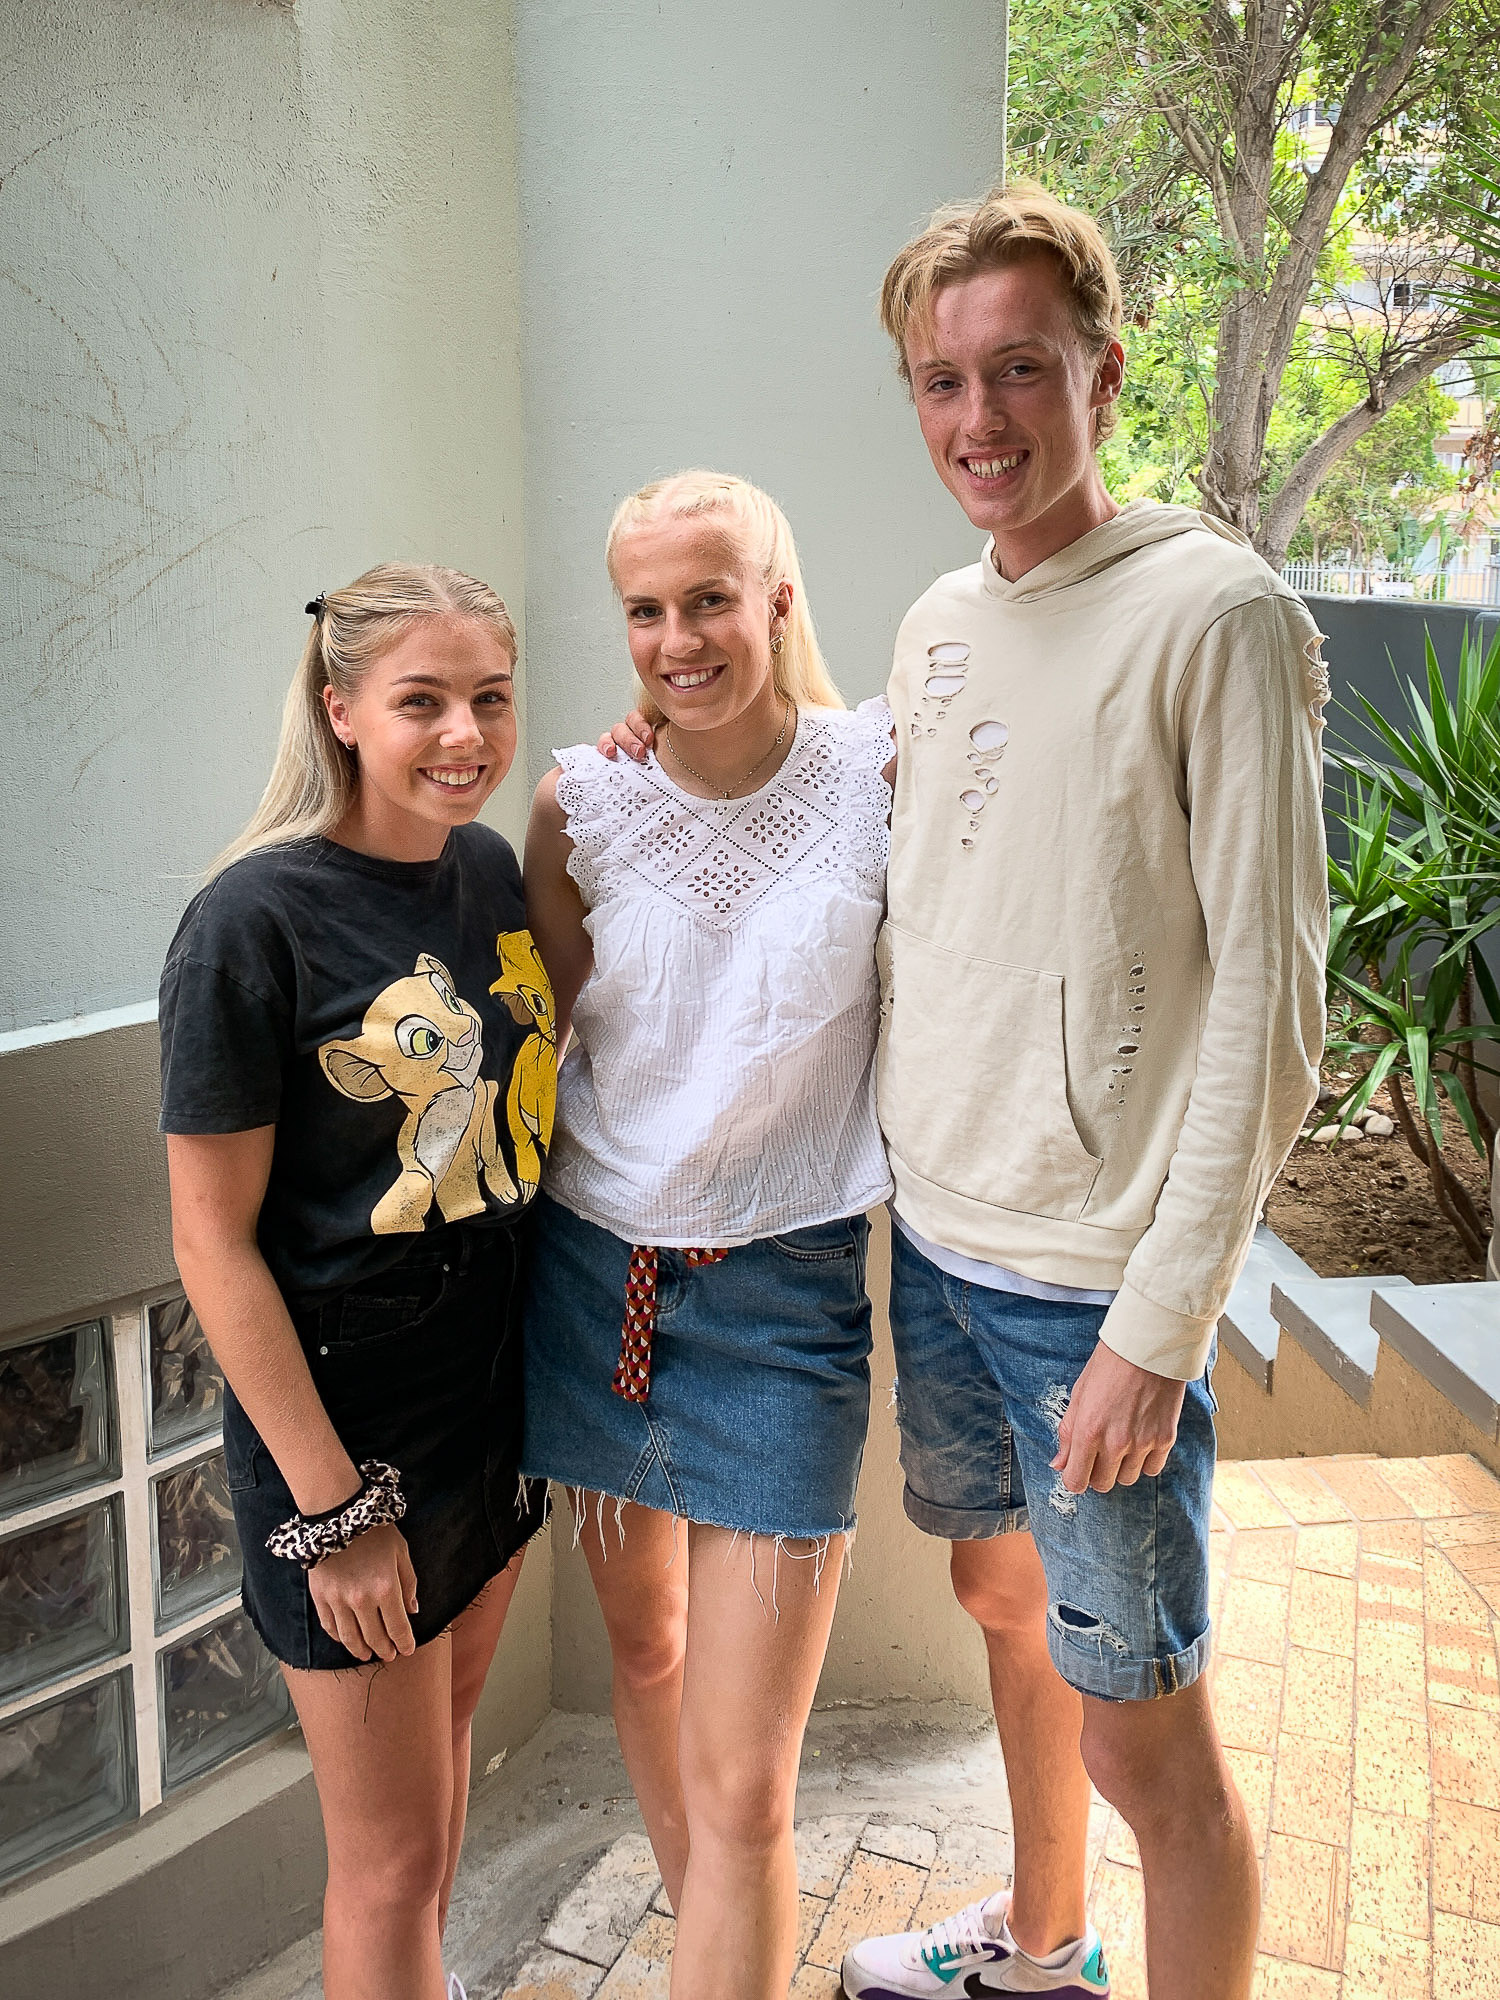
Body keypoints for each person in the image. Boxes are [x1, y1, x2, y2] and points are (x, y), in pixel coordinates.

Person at [603, 189, 1329, 2000]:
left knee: (1148, 1732)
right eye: (942, 380)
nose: (979, 418)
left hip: (1094, 1285)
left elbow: (1273, 1005)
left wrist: (1161, 1325)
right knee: (1009, 1607)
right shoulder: (939, 620)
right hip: (935, 1246)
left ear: (1105, 367)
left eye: (1020, 369)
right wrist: (659, 741)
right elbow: (866, 817)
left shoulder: (1216, 614)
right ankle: (1042, 1942)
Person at [522, 470, 895, 2000]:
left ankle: (720, 1937)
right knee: (648, 1656)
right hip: (595, 1277)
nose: (677, 639)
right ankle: (711, 1946)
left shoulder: (880, 771)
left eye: (710, 600)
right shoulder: (581, 803)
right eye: (646, 610)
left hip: (787, 1300)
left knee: (748, 1784)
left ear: (778, 599)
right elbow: (548, 1045)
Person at [159, 565, 553, 2000]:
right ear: (340, 710)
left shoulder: (487, 870)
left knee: (439, 1792)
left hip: (491, 1395)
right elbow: (212, 1243)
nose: (465, 734)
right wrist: (336, 1514)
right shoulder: (250, 921)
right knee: (385, 1863)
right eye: (421, 701)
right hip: (349, 1431)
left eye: (490, 698)